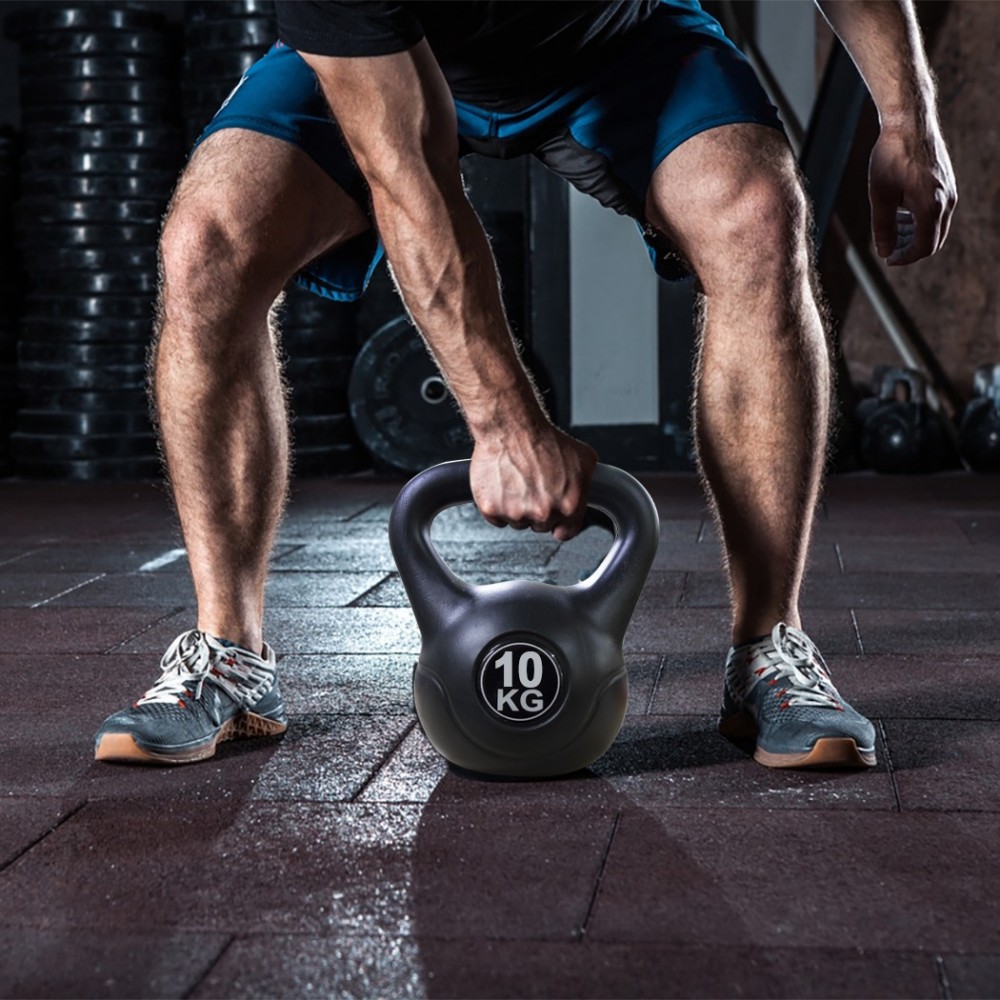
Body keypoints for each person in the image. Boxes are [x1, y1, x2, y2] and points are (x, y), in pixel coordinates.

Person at [93, 0, 956, 769]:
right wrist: (505, 425)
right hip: (398, 56)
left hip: (617, 33)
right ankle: (230, 657)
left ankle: (770, 645)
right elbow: (407, 173)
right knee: (206, 244)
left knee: (760, 216)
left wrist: (908, 115)